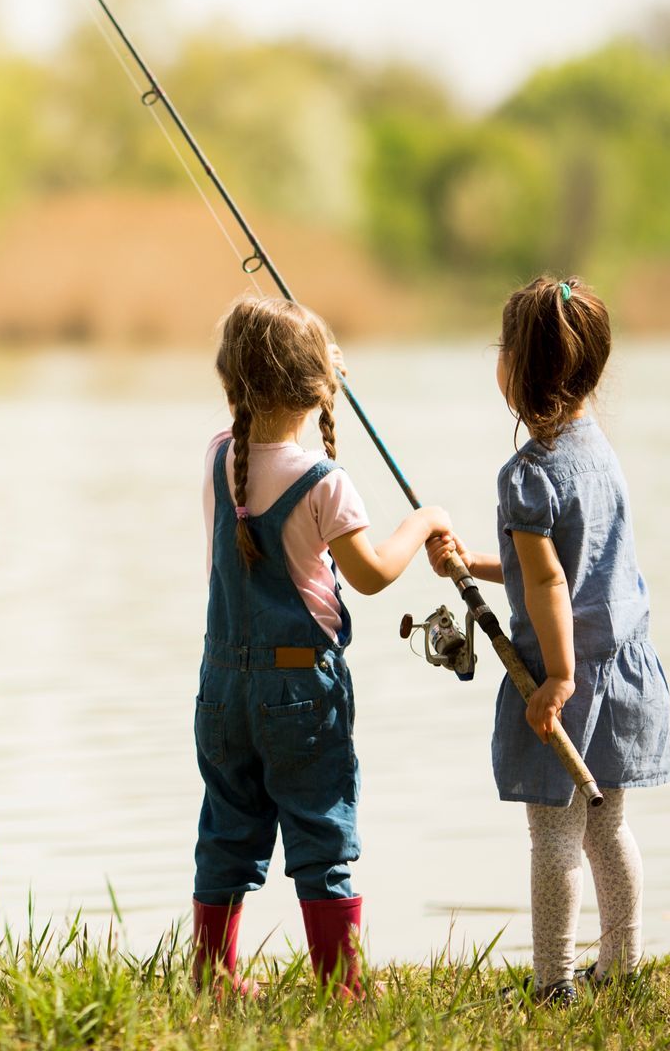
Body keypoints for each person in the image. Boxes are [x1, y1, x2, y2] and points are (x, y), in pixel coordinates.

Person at [191, 294, 451, 999]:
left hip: (221, 690)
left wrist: (312, 369)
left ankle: (212, 978)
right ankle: (340, 986)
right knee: (321, 836)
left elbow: (261, 425)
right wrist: (423, 522)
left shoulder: (221, 458)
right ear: (316, 389)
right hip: (301, 694)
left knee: (227, 828)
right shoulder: (324, 483)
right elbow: (369, 576)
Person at [426, 276, 670, 1005]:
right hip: (624, 671)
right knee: (607, 827)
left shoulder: (527, 476)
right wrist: (470, 562)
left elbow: (551, 589)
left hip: (568, 683)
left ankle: (553, 985)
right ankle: (622, 968)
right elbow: (554, 570)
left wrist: (557, 679)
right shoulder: (600, 452)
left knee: (554, 840)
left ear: (517, 371)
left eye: (502, 348)